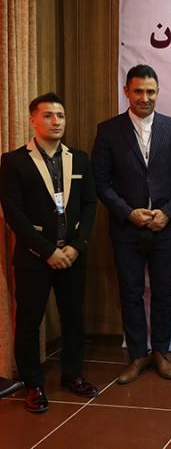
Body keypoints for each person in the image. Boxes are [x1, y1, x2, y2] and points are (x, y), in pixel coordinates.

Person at [92, 64, 171, 384]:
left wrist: (167, 212)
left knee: (162, 293)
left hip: (165, 227)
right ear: (127, 92)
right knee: (131, 293)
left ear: (158, 92)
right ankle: (137, 355)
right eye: (138, 91)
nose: (144, 97)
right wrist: (127, 213)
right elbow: (101, 182)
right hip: (127, 228)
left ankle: (160, 352)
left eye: (150, 91)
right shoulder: (108, 131)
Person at [0, 93, 98, 412]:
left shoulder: (79, 159)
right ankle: (33, 384)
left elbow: (90, 204)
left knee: (73, 318)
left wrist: (76, 246)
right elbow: (13, 213)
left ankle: (72, 375)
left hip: (72, 255)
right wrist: (46, 251)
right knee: (29, 322)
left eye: (61, 115)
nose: (56, 121)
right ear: (33, 120)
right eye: (48, 115)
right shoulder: (14, 161)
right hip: (34, 258)